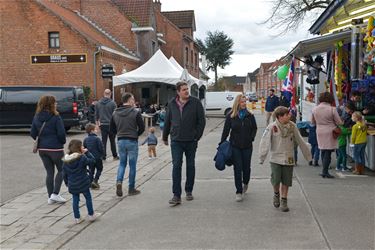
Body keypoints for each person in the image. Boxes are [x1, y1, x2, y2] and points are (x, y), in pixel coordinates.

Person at [259, 106, 311, 212]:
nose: (290, 115)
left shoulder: (292, 126)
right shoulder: (272, 127)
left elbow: (300, 140)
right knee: (276, 180)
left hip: (288, 157)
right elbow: (264, 142)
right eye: (287, 114)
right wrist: (262, 157)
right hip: (276, 158)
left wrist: (308, 156)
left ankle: (284, 200)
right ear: (280, 117)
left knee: (286, 181)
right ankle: (276, 194)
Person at [163, 81, 206, 205]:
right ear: (178, 92)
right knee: (176, 165)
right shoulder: (171, 104)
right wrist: (165, 137)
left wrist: (196, 136)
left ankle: (189, 190)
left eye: (187, 89)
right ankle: (176, 195)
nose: (186, 91)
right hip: (176, 140)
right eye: (184, 89)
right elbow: (167, 121)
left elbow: (201, 121)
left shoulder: (195, 103)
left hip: (191, 140)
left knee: (190, 165)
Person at [220, 94, 257, 202]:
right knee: (237, 168)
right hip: (235, 146)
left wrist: (251, 138)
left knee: (246, 168)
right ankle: (238, 191)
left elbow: (254, 128)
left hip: (247, 146)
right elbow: (226, 131)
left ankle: (245, 182)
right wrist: (222, 143)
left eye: (245, 102)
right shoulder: (231, 115)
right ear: (237, 103)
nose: (244, 103)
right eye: (242, 102)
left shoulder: (250, 115)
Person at [31, 95, 67, 205]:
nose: (56, 104)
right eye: (55, 102)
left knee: (49, 172)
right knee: (62, 170)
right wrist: (62, 142)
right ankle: (55, 194)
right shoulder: (56, 117)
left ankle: (50, 197)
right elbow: (61, 133)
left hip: (42, 149)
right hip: (56, 149)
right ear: (51, 104)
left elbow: (32, 133)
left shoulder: (36, 116)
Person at [110, 92, 145, 197]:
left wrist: (119, 134)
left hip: (121, 140)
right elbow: (142, 128)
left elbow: (111, 129)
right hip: (132, 141)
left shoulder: (115, 113)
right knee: (132, 165)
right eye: (133, 99)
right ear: (129, 100)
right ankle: (131, 188)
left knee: (122, 163)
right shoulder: (135, 112)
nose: (134, 101)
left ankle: (119, 181)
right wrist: (136, 134)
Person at [62, 139, 101, 224]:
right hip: (83, 182)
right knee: (88, 197)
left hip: (72, 183)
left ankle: (77, 217)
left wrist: (66, 183)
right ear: (79, 148)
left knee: (75, 199)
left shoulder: (66, 160)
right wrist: (87, 152)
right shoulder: (82, 157)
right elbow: (92, 161)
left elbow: (64, 173)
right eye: (82, 146)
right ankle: (91, 214)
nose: (83, 147)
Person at [312, 92, 343, 178]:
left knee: (322, 150)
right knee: (328, 152)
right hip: (330, 131)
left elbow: (312, 122)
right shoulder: (332, 109)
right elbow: (339, 122)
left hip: (319, 130)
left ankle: (323, 171)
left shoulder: (315, 109)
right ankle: (325, 171)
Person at [95, 89, 118, 160]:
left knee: (103, 141)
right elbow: (116, 115)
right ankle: (114, 155)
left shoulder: (98, 103)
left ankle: (103, 156)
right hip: (111, 125)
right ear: (110, 94)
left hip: (102, 124)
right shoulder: (113, 103)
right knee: (112, 141)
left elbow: (96, 115)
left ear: (103, 93)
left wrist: (97, 125)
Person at [83, 123, 104, 189]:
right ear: (92, 131)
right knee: (99, 169)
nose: (96, 130)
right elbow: (101, 148)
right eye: (95, 129)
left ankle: (90, 182)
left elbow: (84, 148)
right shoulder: (97, 139)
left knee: (91, 170)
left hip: (89, 158)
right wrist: (102, 155)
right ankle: (95, 180)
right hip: (97, 157)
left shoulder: (86, 139)